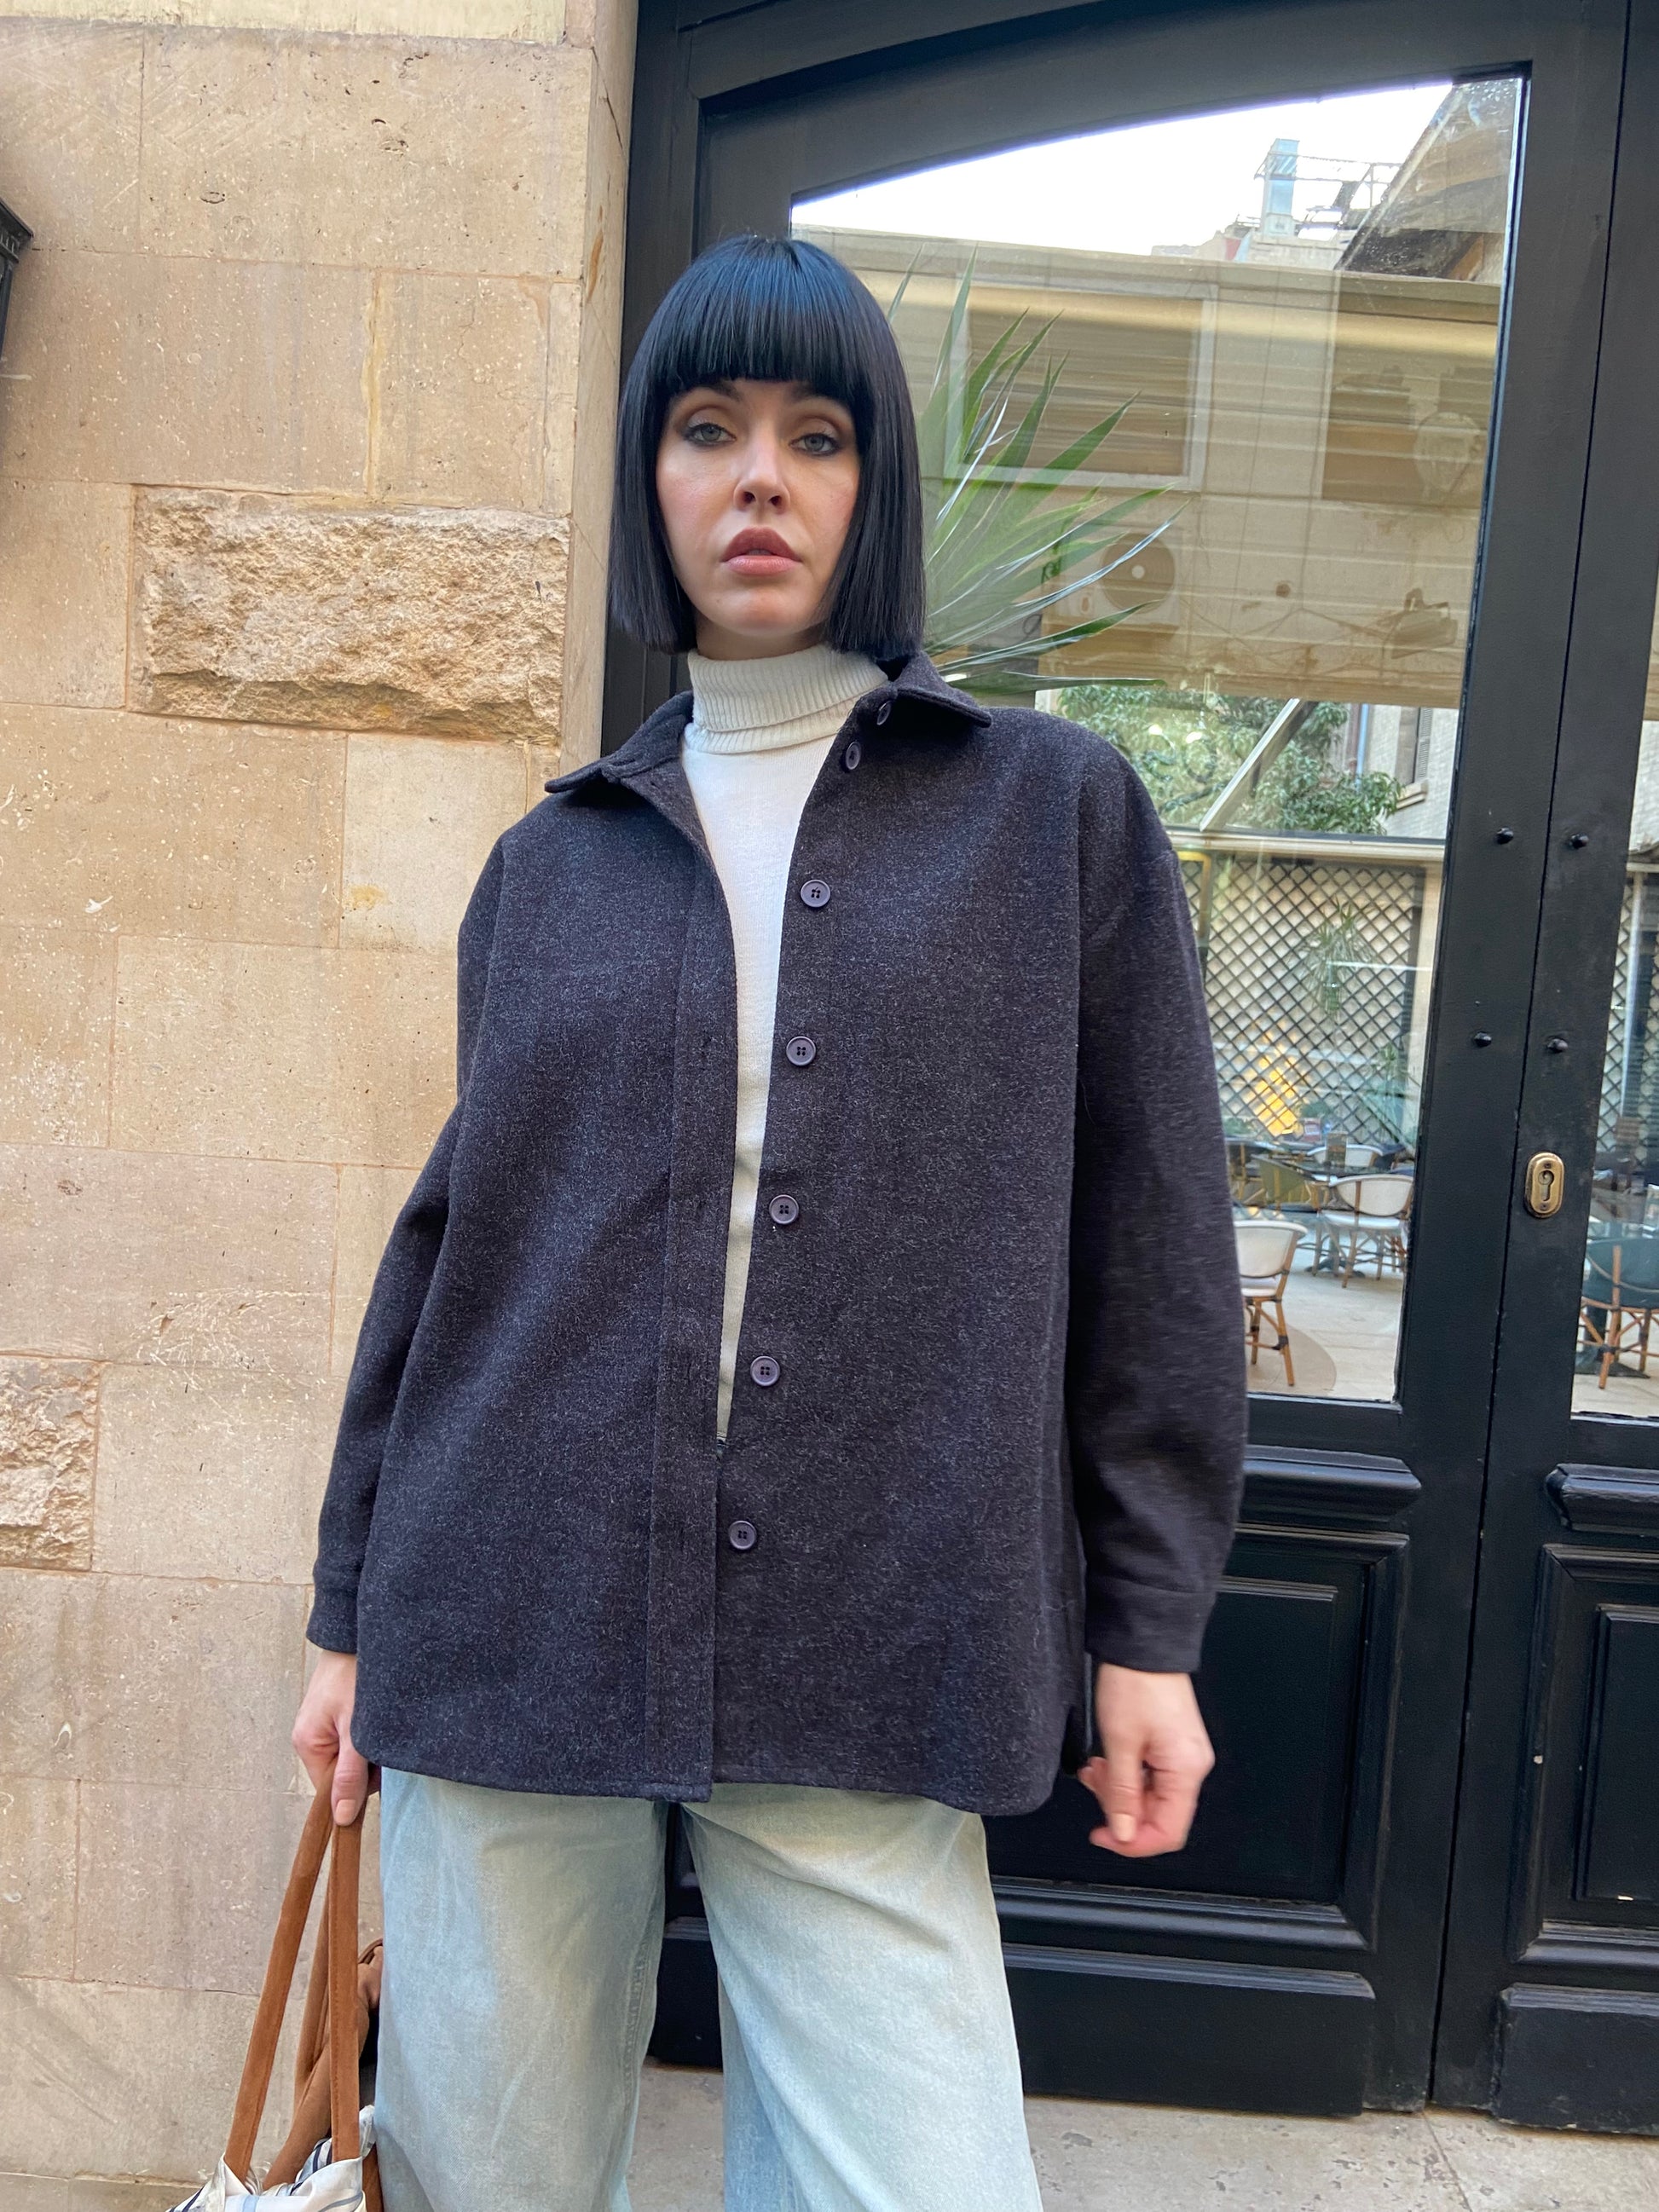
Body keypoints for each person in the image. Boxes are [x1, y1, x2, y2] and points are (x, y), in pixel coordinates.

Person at [293, 232, 1246, 2212]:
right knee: (481, 2175)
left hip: (877, 1622)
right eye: (708, 429)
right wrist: (349, 1610)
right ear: (649, 476)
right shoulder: (548, 860)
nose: (758, 479)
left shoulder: (1050, 816)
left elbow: (1152, 1241)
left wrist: (1147, 1631)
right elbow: (455, 1243)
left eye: (817, 436)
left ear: (871, 482)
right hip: (513, 1606)